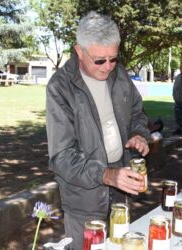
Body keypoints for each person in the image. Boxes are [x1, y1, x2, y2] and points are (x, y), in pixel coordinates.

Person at [45, 11, 150, 249]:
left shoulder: (120, 74)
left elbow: (137, 112)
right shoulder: (60, 88)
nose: (108, 67)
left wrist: (138, 134)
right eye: (99, 60)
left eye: (113, 58)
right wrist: (106, 174)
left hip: (120, 189)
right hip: (84, 198)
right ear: (79, 51)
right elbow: (61, 156)